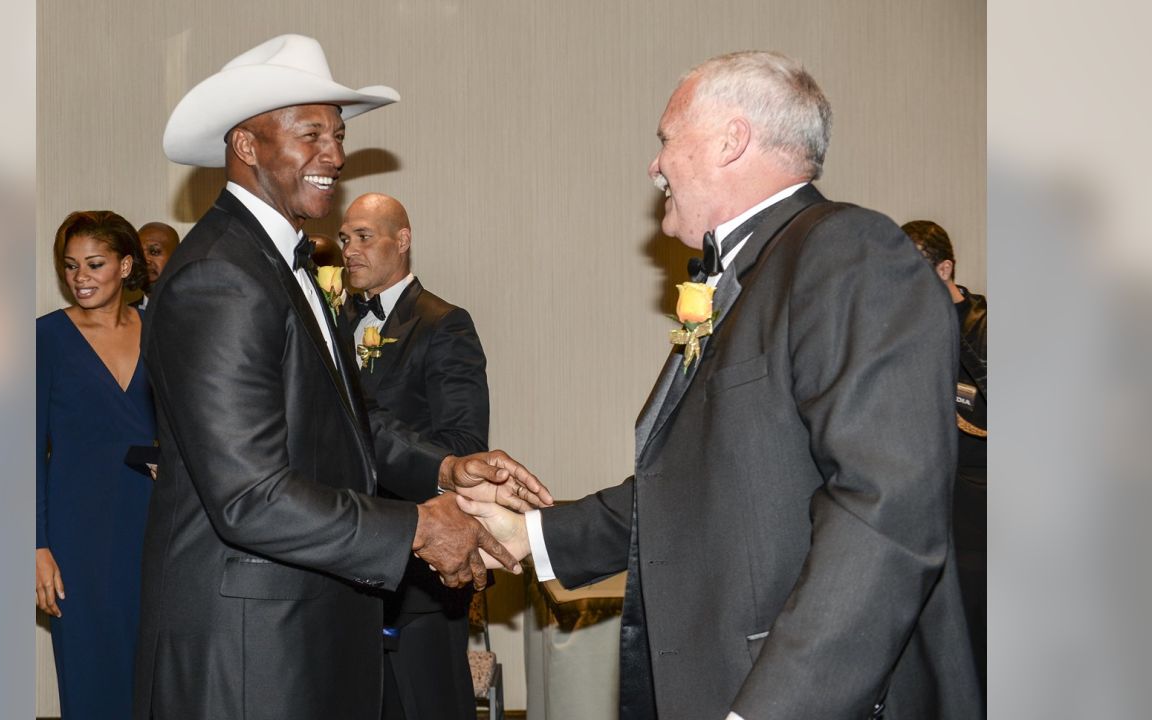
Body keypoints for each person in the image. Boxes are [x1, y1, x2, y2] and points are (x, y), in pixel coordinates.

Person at [462, 51, 982, 718]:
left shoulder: (849, 253)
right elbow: (699, 484)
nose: (655, 166)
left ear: (731, 139)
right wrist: (530, 535)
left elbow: (883, 512)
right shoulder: (755, 273)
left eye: (666, 139)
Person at [137, 34, 550, 720]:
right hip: (246, 656)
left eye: (336, 133)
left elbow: (347, 425)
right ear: (247, 145)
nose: (335, 154)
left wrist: (449, 468)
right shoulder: (220, 276)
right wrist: (416, 527)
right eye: (311, 134)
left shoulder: (278, 266)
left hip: (302, 636)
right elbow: (250, 497)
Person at [339, 193, 489, 720]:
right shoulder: (330, 326)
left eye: (364, 236)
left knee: (427, 705)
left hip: (419, 567)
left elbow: (464, 446)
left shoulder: (444, 324)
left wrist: (376, 434)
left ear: (402, 240)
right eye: (344, 239)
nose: (350, 250)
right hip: (343, 558)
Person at [36, 210, 155, 719]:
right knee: (91, 675)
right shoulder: (46, 337)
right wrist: (36, 544)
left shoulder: (161, 330)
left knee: (152, 675)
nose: (80, 277)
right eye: (70, 266)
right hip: (77, 536)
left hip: (154, 527)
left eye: (94, 263)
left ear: (126, 266)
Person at [904, 218, 987, 694]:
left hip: (977, 501)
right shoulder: (901, 332)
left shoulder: (985, 325)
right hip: (924, 496)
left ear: (945, 269)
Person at [134, 221, 180, 309]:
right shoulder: (124, 316)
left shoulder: (195, 313)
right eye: (139, 253)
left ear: (177, 256)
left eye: (154, 252)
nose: (145, 260)